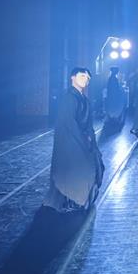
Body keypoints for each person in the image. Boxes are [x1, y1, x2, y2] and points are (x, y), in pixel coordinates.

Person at [43, 68, 104, 212]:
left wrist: (91, 140)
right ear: (72, 77)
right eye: (82, 76)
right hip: (70, 140)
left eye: (88, 78)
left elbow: (88, 124)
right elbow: (68, 122)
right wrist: (82, 139)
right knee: (74, 169)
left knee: (93, 165)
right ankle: (71, 200)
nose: (85, 80)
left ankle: (78, 199)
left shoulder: (83, 99)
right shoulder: (69, 98)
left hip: (83, 139)